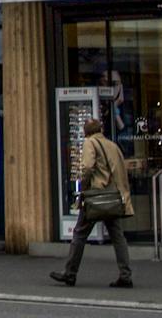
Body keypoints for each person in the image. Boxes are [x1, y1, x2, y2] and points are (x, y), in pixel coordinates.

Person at [52, 117, 134, 289]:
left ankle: (70, 273)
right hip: (112, 197)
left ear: (86, 132)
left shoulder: (90, 142)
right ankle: (125, 275)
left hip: (96, 197)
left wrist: (84, 185)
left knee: (80, 234)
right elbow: (121, 172)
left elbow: (88, 167)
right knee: (118, 237)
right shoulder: (112, 145)